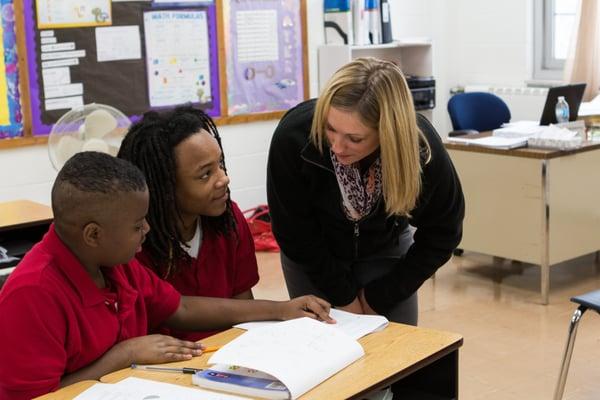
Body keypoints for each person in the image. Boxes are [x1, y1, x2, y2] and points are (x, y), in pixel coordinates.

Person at [0, 152, 332, 400]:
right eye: (136, 225)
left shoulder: (115, 262)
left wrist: (280, 309)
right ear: (93, 234)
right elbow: (37, 398)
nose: (146, 230)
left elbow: (180, 308)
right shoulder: (31, 295)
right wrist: (124, 355)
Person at [267, 57, 464, 325]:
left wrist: (381, 296)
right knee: (323, 349)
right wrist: (343, 297)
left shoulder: (421, 149)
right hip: (313, 252)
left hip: (385, 246)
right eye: (330, 129)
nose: (337, 146)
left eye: (355, 138)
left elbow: (444, 232)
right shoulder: (294, 136)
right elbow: (294, 232)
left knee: (395, 351)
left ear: (387, 133)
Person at [117, 105, 259, 342]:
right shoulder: (131, 246)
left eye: (220, 164)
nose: (224, 178)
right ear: (164, 187)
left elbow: (245, 312)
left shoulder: (229, 219)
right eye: (205, 174)